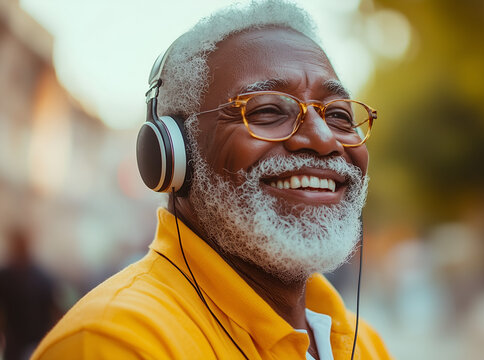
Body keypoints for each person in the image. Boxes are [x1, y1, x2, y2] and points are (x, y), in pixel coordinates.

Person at [33, 1, 390, 359]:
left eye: (340, 116)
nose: (324, 139)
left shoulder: (365, 345)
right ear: (174, 153)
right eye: (266, 110)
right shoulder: (113, 341)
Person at [0, 228, 58, 360]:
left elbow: (54, 307)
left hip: (37, 339)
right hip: (17, 343)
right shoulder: (5, 276)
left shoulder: (43, 277)